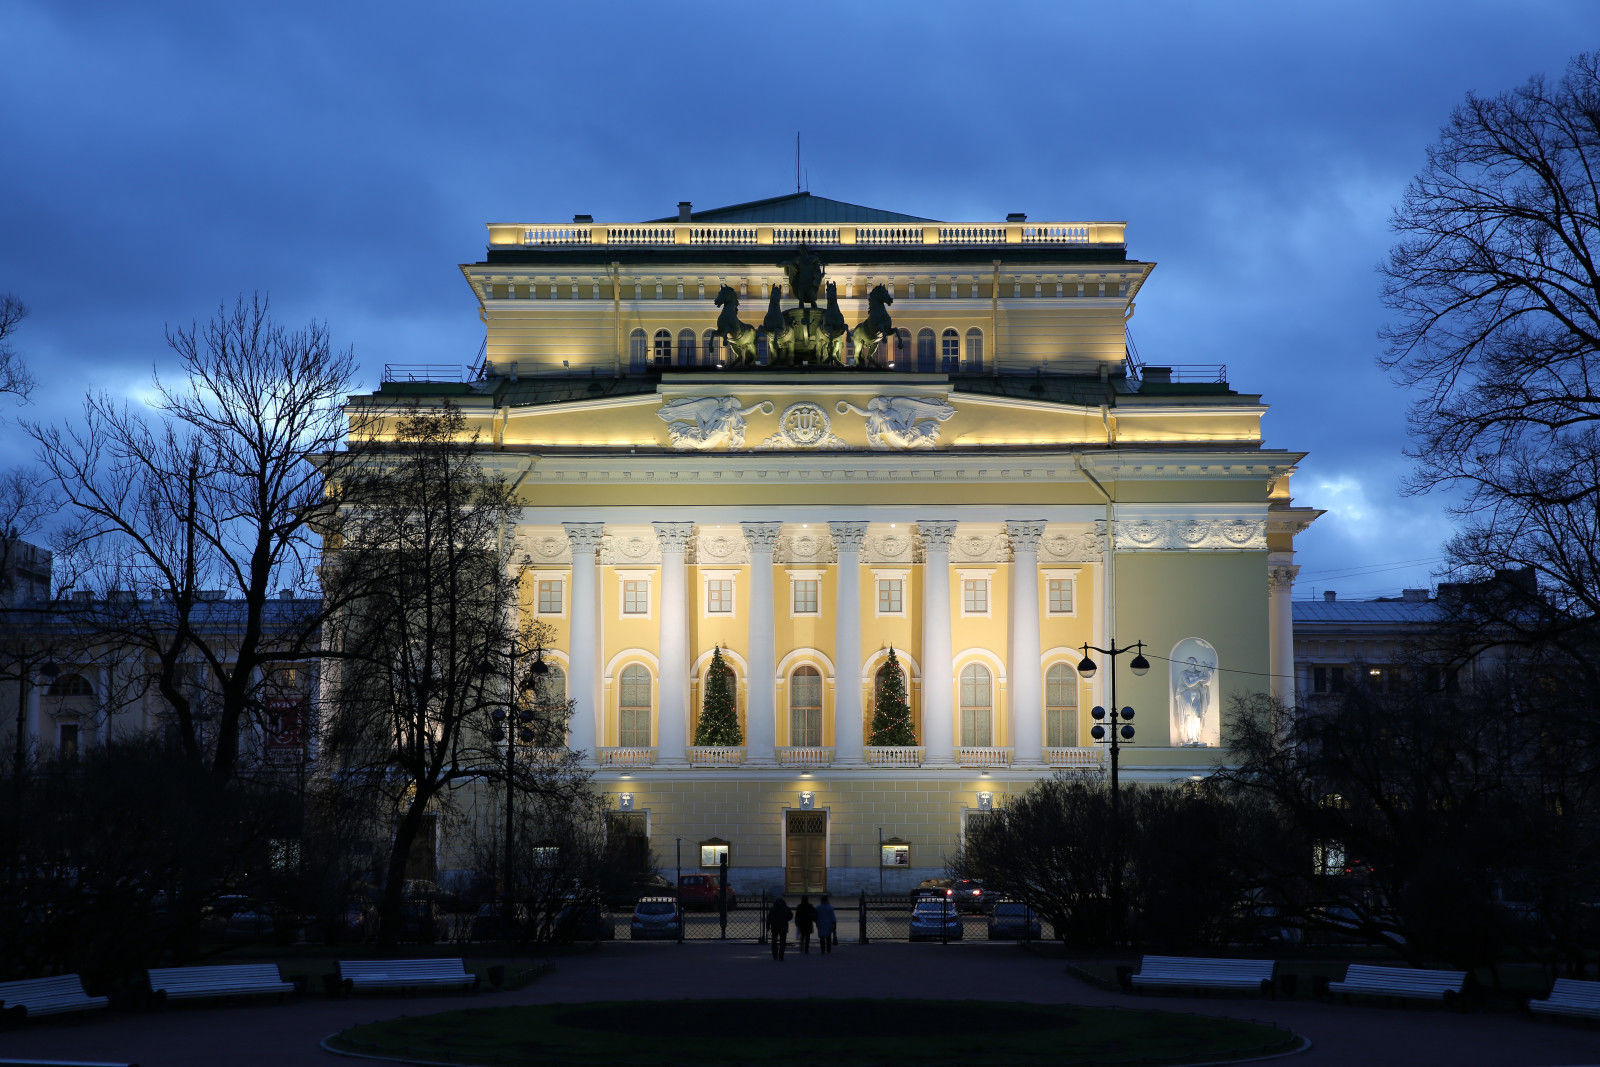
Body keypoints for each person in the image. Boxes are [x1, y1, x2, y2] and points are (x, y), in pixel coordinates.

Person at [767, 896, 792, 961]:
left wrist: (768, 926)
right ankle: (781, 955)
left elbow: (769, 918)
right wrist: (786, 919)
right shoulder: (786, 908)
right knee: (783, 942)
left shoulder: (772, 909)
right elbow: (790, 916)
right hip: (783, 927)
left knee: (774, 941)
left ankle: (775, 955)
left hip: (774, 927)